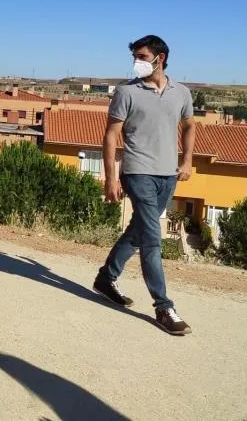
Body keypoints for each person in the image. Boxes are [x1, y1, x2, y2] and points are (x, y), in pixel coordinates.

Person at [93, 35, 194, 335]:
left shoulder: (182, 93)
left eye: (141, 56)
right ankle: (164, 307)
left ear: (159, 58)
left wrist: (187, 160)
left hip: (168, 175)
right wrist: (111, 176)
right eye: (135, 57)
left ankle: (105, 278)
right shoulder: (126, 92)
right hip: (137, 173)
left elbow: (189, 125)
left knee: (139, 230)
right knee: (152, 238)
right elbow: (111, 135)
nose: (136, 62)